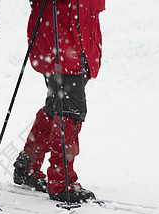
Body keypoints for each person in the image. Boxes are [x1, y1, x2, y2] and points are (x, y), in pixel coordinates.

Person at [13, 0, 105, 203]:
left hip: (75, 40)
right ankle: (61, 181)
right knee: (70, 111)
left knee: (56, 106)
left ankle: (28, 165)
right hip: (63, 39)